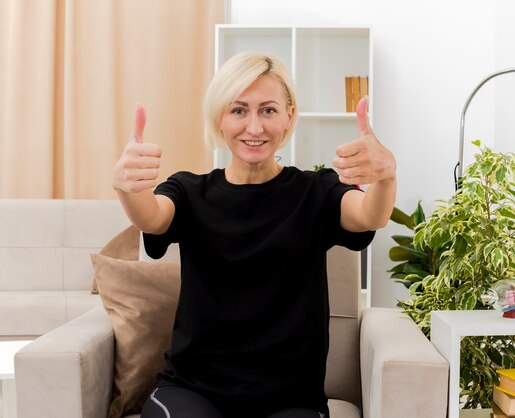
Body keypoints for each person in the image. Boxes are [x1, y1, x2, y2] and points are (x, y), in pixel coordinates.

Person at [113, 51, 396, 418]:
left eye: (268, 110)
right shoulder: (188, 191)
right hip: (194, 389)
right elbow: (152, 218)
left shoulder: (315, 191)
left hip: (290, 399)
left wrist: (386, 175)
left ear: (288, 116)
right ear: (220, 117)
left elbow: (369, 215)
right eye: (238, 110)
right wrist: (127, 188)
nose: (255, 127)